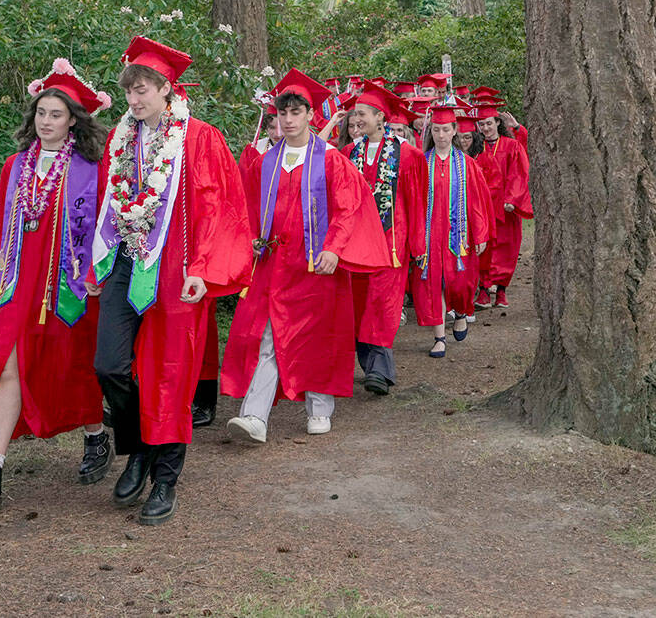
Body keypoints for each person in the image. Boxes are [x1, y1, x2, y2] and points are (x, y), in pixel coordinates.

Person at [91, 36, 252, 526]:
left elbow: (223, 208)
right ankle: (138, 446)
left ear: (166, 89)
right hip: (126, 264)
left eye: (142, 91)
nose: (134, 100)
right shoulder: (122, 142)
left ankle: (165, 477)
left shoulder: (199, 138)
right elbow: (108, 205)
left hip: (178, 272)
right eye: (129, 93)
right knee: (110, 364)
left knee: (171, 372)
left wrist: (205, 269)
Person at [0, 60, 113, 508]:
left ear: (74, 121)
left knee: (72, 360)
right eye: (41, 113)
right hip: (18, 279)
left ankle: (96, 434)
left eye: (57, 114)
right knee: (6, 363)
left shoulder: (89, 168)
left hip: (68, 281)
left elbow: (103, 226)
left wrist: (95, 271)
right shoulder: (14, 167)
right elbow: (7, 226)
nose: (46, 122)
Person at [221, 70, 389, 442]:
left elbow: (348, 209)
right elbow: (247, 206)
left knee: (319, 335)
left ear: (311, 115)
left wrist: (334, 247)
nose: (289, 119)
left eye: (296, 112)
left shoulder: (330, 159)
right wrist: (250, 238)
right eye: (283, 113)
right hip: (274, 264)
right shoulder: (267, 160)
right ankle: (254, 416)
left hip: (316, 265)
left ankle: (319, 407)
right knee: (268, 333)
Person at [339, 81, 426, 395]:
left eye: (362, 114)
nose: (357, 119)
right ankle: (374, 368)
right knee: (360, 304)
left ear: (380, 117)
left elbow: (416, 201)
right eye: (355, 114)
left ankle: (378, 370)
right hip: (356, 244)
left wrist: (418, 244)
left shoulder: (410, 155)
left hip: (392, 242)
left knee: (383, 302)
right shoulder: (349, 153)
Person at [408, 105, 492, 358]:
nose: (441, 135)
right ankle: (439, 338)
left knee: (460, 283)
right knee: (432, 284)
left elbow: (477, 202)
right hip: (430, 235)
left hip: (459, 236)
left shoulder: (467, 165)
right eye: (436, 130)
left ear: (454, 130)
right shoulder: (422, 164)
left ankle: (462, 313)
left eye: (445, 129)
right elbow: (414, 203)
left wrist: (480, 233)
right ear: (430, 131)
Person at [474, 105, 533, 310]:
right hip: (483, 206)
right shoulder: (476, 147)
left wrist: (513, 199)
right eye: (482, 124)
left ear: (497, 123)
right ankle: (483, 290)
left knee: (506, 250)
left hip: (506, 207)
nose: (486, 128)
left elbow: (519, 173)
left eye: (489, 123)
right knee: (484, 248)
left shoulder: (511, 145)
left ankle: (501, 291)